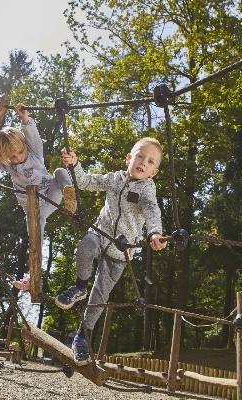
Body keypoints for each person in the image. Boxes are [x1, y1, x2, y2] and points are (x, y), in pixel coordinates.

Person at [55, 137, 167, 365]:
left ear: (153, 172)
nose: (143, 162)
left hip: (121, 252)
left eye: (150, 161)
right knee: (85, 245)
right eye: (140, 156)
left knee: (100, 297)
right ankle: (79, 287)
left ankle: (81, 337)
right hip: (101, 234)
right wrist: (75, 164)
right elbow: (85, 182)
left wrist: (155, 233)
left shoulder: (147, 190)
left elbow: (152, 211)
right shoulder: (114, 179)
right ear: (129, 158)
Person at [0, 103, 76, 290]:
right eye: (12, 156)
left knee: (60, 171)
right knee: (35, 242)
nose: (18, 158)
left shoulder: (34, 152)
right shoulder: (9, 166)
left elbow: (33, 136)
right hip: (33, 209)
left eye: (20, 152)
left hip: (51, 193)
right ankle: (32, 279)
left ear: (24, 147)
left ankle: (70, 193)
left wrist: (25, 119)